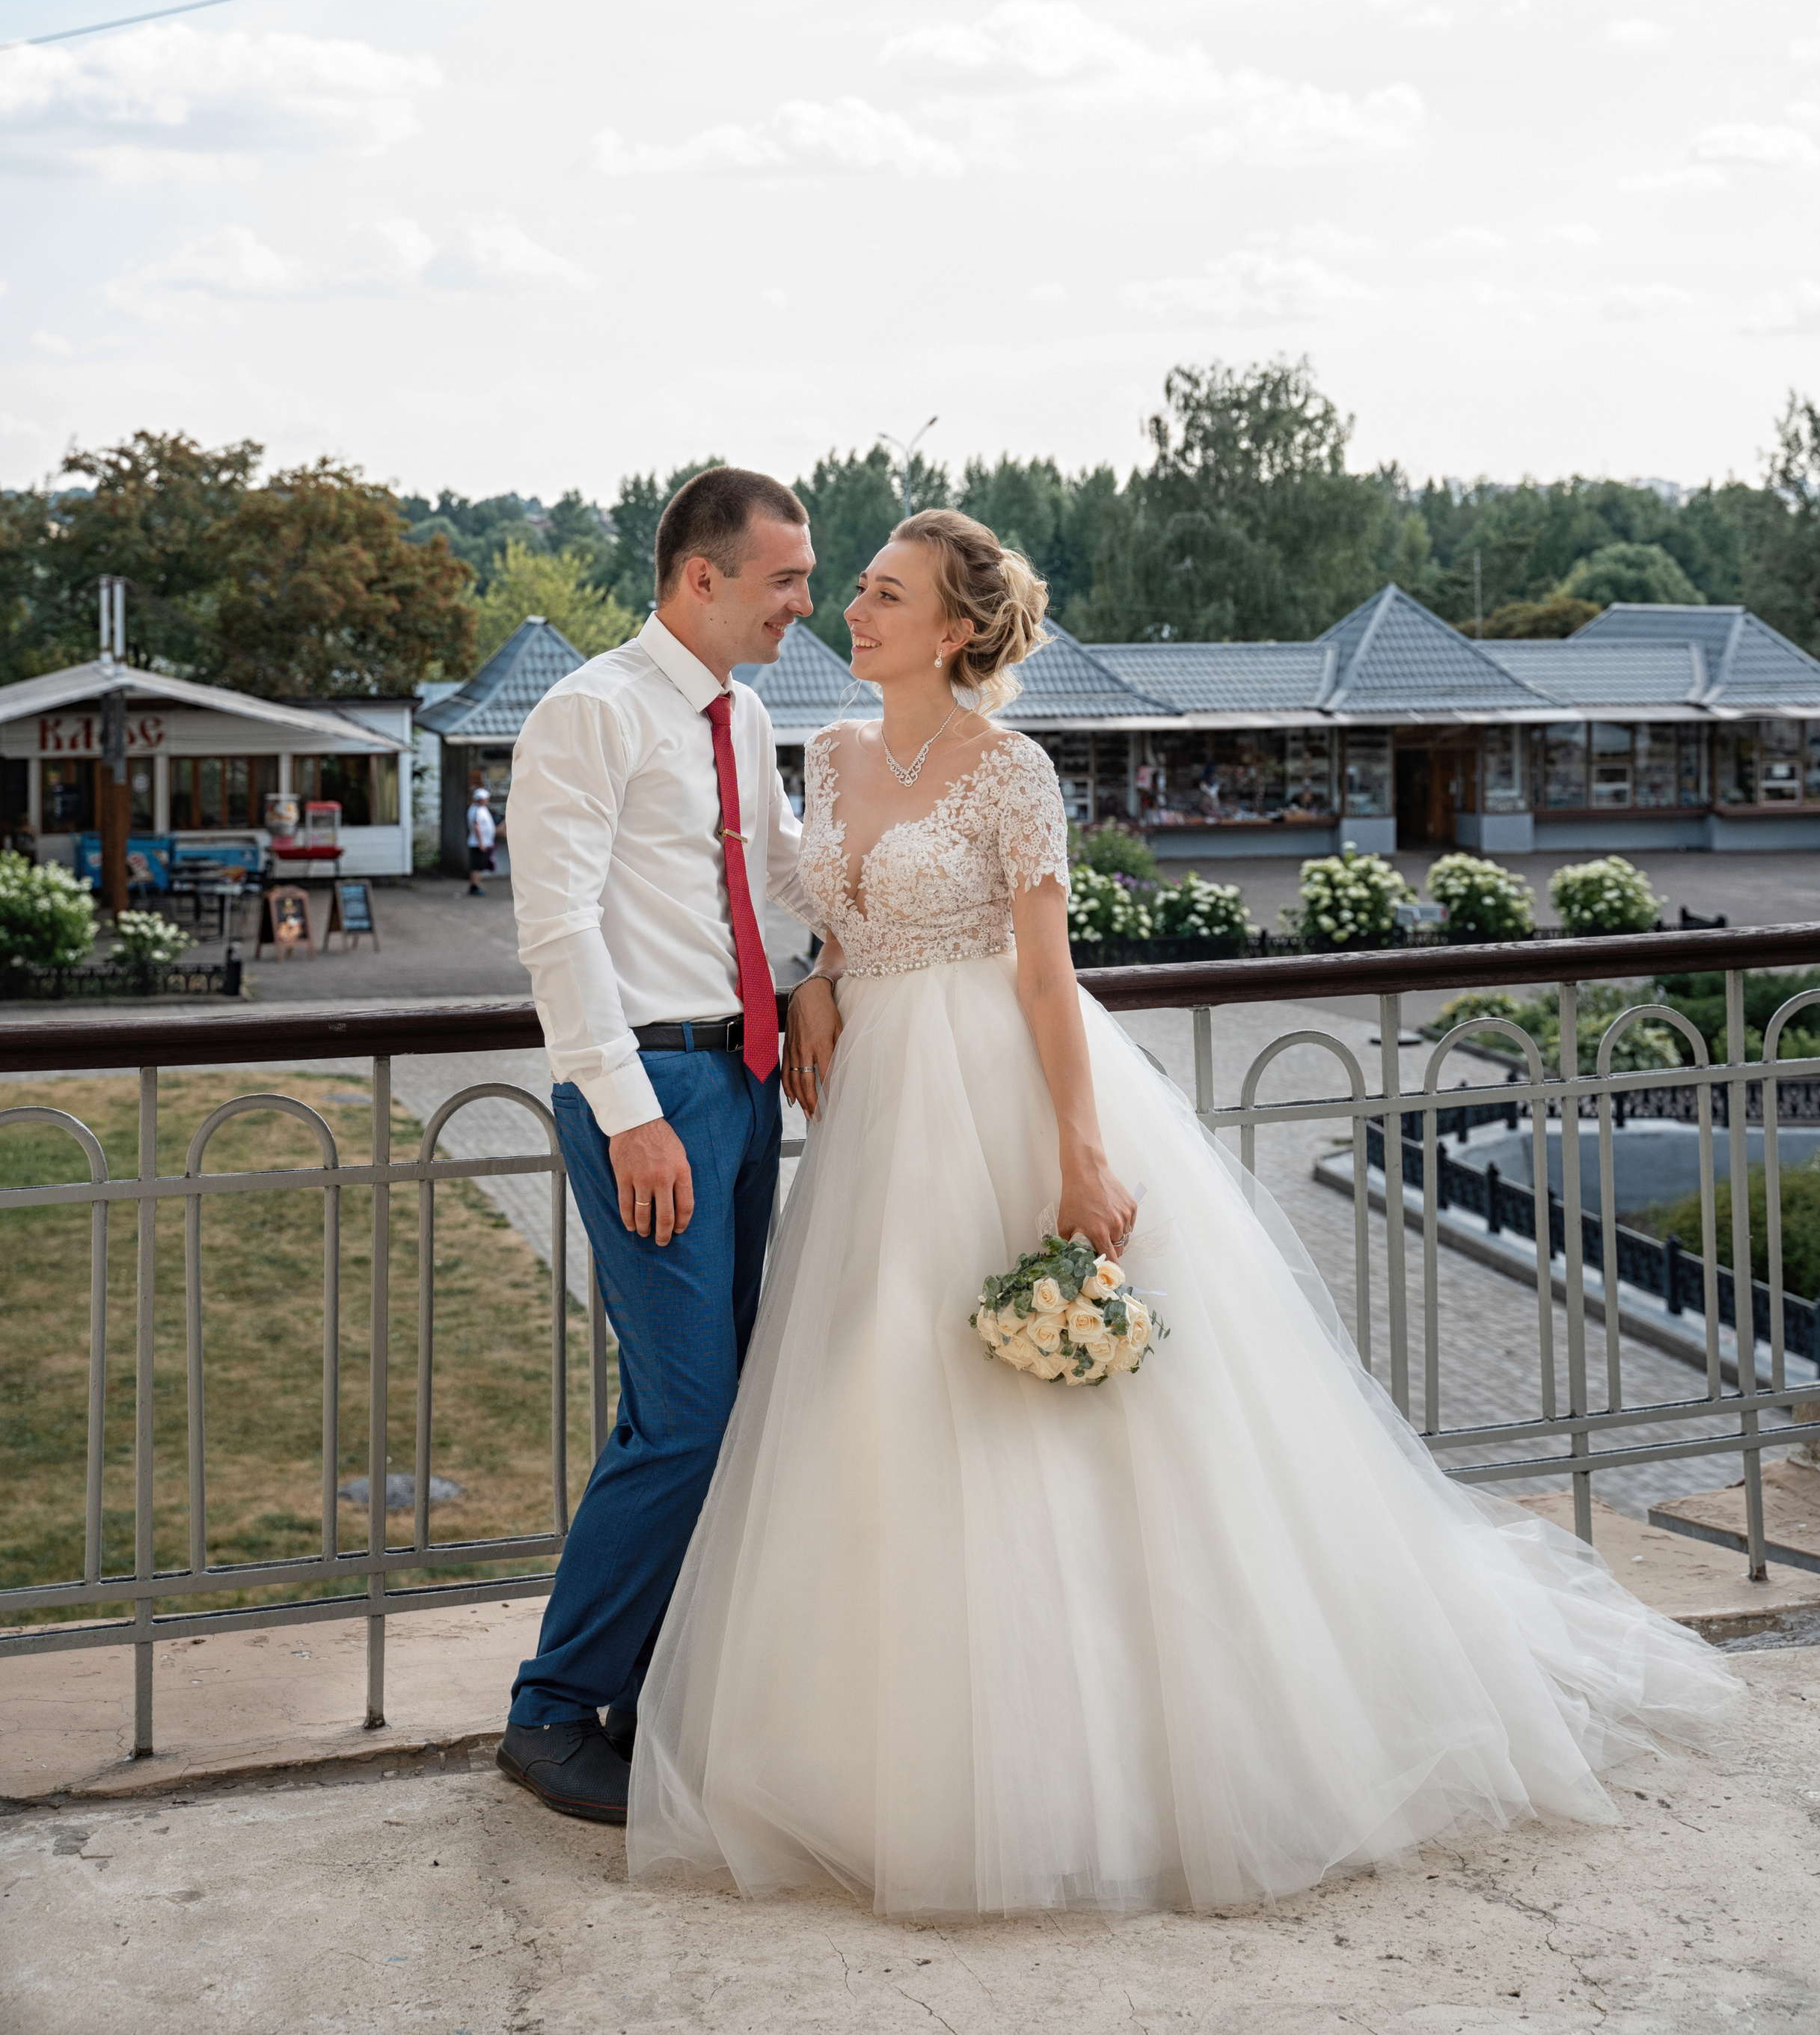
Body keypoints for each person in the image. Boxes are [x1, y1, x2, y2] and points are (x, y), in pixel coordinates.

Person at [624, 510, 1738, 1918]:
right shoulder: (830, 755)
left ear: (956, 630)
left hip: (999, 1091)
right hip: (878, 1118)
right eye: (854, 589)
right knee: (873, 1387)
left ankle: (1092, 1761)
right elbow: (828, 912)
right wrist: (819, 978)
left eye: (885, 594)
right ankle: (853, 1746)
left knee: (1044, 1411)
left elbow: (1043, 979)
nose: (855, 609)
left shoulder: (1015, 773)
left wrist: (1082, 1159)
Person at [495, 467, 834, 1825]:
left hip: (742, 1082)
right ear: (703, 579)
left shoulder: (741, 717)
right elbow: (558, 928)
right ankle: (555, 1710)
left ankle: (661, 1689)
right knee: (685, 1419)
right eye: (786, 580)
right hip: (655, 1096)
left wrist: (811, 970)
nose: (803, 606)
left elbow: (767, 876)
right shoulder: (588, 714)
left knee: (727, 1406)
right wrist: (631, 1113)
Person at [465, 784, 496, 895]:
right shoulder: (476, 810)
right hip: (478, 843)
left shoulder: (482, 809)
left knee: (480, 866)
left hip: (483, 842)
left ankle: (476, 885)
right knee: (477, 867)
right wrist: (481, 842)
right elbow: (477, 827)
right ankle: (474, 886)